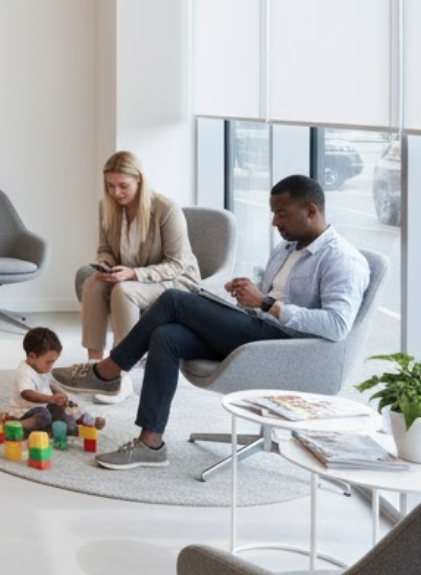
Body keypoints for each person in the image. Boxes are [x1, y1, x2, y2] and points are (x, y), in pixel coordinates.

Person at [54, 174, 370, 470]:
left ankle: (109, 371)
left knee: (173, 299)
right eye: (273, 213)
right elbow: (272, 295)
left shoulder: (341, 259)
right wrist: (251, 292)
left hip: (282, 345)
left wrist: (266, 303)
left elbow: (337, 325)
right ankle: (150, 444)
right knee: (166, 335)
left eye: (282, 214)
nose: (275, 222)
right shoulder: (287, 247)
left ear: (311, 210)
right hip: (255, 326)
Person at [79, 151, 200, 403]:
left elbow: (177, 264)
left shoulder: (166, 209)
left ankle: (119, 373)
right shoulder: (108, 207)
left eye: (123, 186)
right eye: (110, 186)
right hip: (132, 277)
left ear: (140, 181)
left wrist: (134, 273)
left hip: (175, 281)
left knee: (124, 291)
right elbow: (105, 249)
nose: (116, 192)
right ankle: (94, 366)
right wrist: (106, 265)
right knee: (93, 284)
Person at [2, 327, 104, 434]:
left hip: (45, 406)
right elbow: (27, 394)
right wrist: (50, 398)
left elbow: (49, 384)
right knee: (43, 417)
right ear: (32, 357)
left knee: (65, 408)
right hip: (25, 412)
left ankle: (79, 423)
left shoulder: (42, 368)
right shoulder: (24, 372)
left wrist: (59, 394)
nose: (51, 367)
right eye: (49, 362)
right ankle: (16, 425)